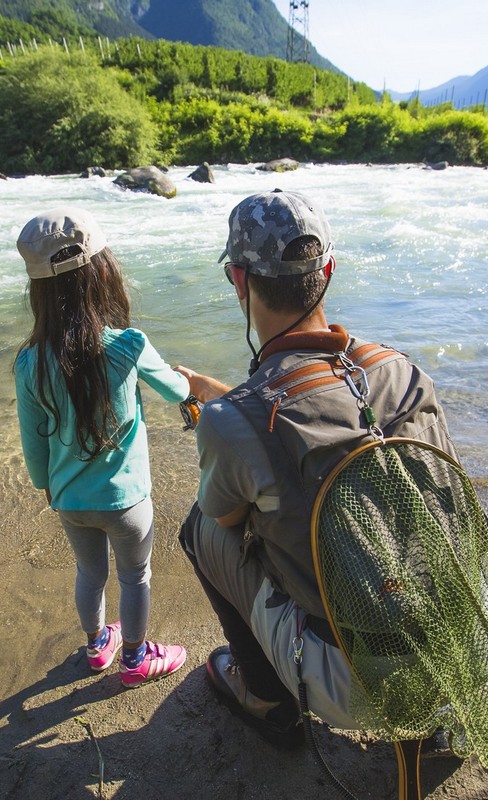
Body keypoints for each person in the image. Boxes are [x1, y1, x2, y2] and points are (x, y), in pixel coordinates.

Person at [175, 189, 457, 749]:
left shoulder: (232, 421)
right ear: (327, 269)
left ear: (238, 278)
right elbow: (340, 422)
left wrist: (222, 417)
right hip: (461, 646)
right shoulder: (401, 370)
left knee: (200, 527)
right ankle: (441, 725)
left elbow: (227, 519)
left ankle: (266, 699)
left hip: (349, 683)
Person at [14, 207, 188, 688]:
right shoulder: (128, 345)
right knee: (136, 576)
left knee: (89, 574)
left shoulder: (29, 363)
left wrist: (46, 488)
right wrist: (188, 382)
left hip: (69, 499)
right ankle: (134, 657)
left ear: (38, 292)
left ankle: (96, 647)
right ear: (103, 274)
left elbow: (34, 447)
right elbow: (175, 391)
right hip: (128, 501)